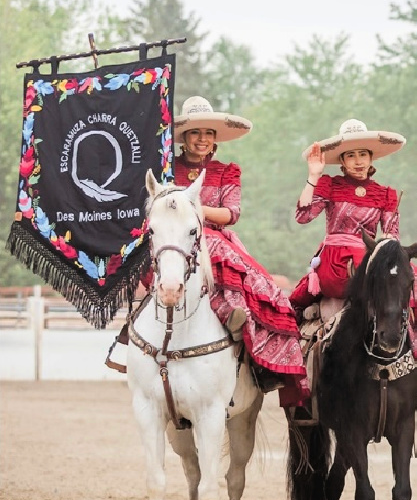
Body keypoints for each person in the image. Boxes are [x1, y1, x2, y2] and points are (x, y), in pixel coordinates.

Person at [107, 97, 309, 409]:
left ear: (215, 139)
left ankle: (245, 336)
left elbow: (231, 213)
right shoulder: (166, 167)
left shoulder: (227, 171)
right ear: (183, 138)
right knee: (143, 263)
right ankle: (132, 336)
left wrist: (194, 211)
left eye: (208, 134)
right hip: (172, 237)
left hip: (213, 236)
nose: (202, 139)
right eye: (195, 133)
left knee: (260, 284)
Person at [291, 119, 417, 388]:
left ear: (371, 158)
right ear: (341, 161)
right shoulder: (330, 185)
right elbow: (303, 216)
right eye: (351, 155)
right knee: (294, 304)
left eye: (363, 154)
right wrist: (314, 176)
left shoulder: (386, 194)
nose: (358, 161)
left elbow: (391, 236)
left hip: (372, 257)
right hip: (335, 261)